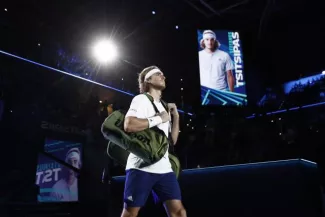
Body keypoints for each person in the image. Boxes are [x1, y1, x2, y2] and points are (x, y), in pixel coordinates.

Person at [121, 66, 186, 217]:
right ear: (148, 80)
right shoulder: (141, 99)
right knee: (130, 213)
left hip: (164, 169)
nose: (163, 76)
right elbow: (128, 125)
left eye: (163, 73)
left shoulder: (163, 105)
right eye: (158, 74)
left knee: (179, 212)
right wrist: (159, 118)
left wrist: (175, 117)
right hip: (141, 167)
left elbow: (172, 142)